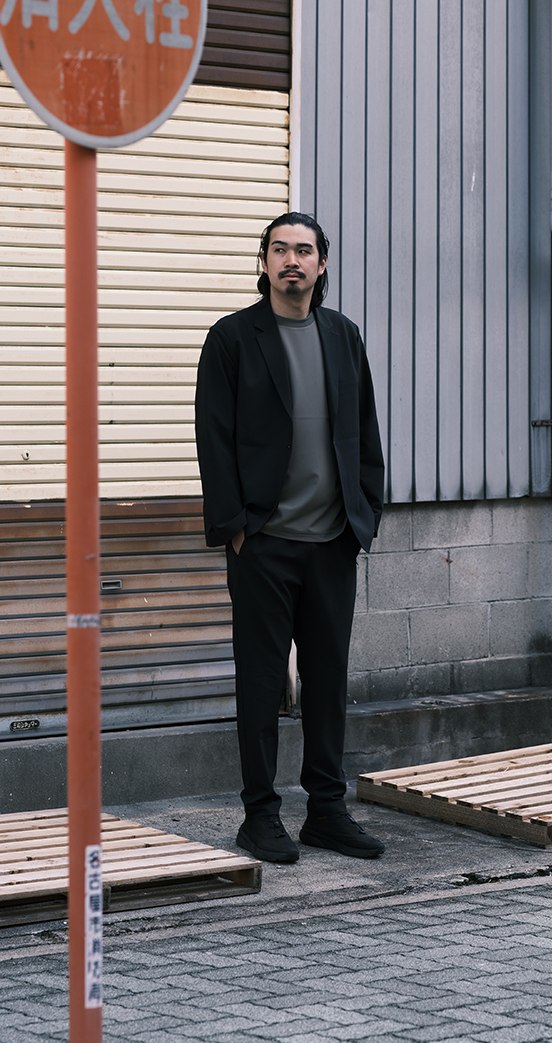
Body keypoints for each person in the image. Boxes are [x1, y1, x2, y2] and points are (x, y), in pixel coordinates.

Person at [194, 211, 385, 863]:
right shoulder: (232, 338)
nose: (292, 260)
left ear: (321, 263)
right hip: (264, 544)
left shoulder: (343, 335)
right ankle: (260, 815)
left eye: (304, 250)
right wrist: (235, 529)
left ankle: (327, 811)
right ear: (265, 262)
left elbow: (364, 431)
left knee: (328, 681)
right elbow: (213, 437)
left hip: (332, 542)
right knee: (260, 682)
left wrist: (365, 514)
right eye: (280, 250)